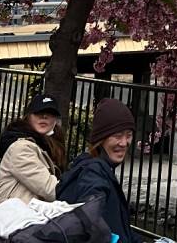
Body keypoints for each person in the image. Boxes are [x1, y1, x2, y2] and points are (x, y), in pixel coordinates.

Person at [57, 98, 141, 242]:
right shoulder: (93, 172)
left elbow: (120, 229)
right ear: (100, 139)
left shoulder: (100, 169)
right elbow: (92, 210)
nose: (124, 143)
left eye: (128, 135)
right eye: (117, 135)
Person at [0, 93, 66, 205]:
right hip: (18, 217)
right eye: (38, 112)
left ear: (56, 120)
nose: (44, 116)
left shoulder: (52, 146)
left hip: (34, 213)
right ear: (28, 116)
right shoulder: (21, 147)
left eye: (51, 113)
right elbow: (50, 189)